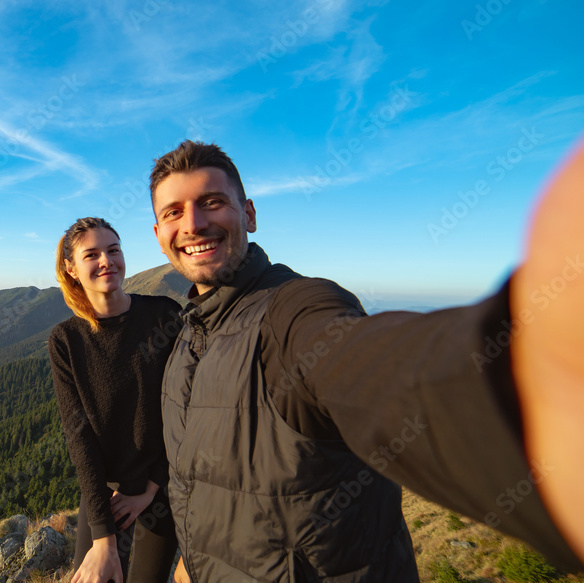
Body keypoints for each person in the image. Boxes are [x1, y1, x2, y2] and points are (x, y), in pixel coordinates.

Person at [148, 140, 584, 582]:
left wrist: (540, 380)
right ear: (159, 234)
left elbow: (371, 366)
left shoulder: (294, 311)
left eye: (212, 202)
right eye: (174, 212)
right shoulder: (186, 339)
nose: (194, 224)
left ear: (250, 215)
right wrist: (192, 560)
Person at [48, 217, 181, 583]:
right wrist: (103, 538)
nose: (107, 260)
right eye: (92, 254)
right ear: (71, 269)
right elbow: (80, 437)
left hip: (163, 483)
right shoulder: (66, 340)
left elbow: (183, 409)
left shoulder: (164, 316)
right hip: (107, 495)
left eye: (114, 250)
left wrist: (151, 487)